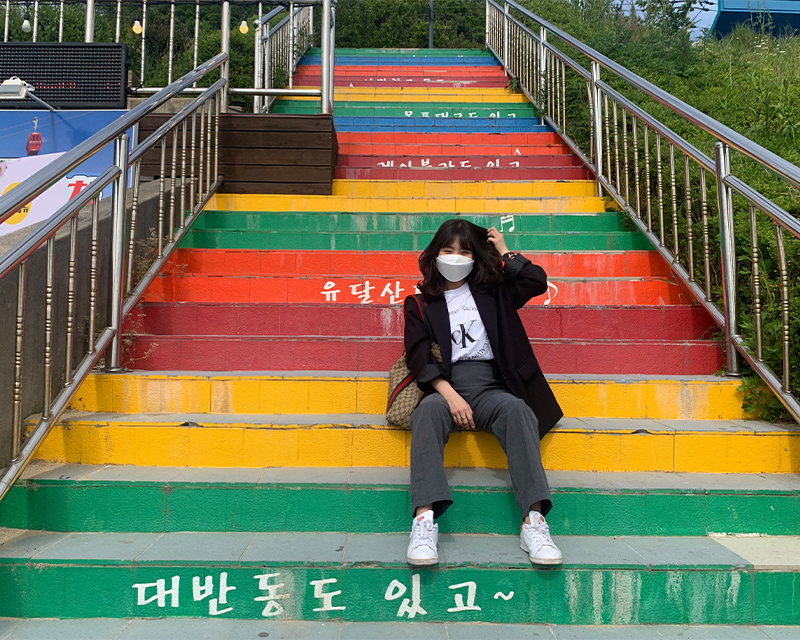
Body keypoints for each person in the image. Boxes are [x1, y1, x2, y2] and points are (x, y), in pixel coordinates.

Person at [403, 218, 564, 566]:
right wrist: (449, 394)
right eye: (448, 250)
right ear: (435, 255)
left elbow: (536, 281)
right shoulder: (419, 304)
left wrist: (504, 251)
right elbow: (418, 357)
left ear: (477, 257)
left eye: (465, 251)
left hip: (493, 385)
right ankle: (424, 521)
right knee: (427, 413)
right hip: (446, 387)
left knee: (519, 411)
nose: (456, 258)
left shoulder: (495, 293)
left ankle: (533, 522)